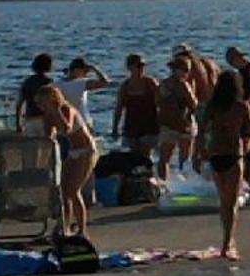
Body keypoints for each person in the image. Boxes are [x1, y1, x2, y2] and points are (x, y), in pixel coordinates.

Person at [201, 70, 250, 260]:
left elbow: (201, 131)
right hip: (234, 154)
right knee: (231, 202)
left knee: (223, 200)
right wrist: (243, 133)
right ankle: (227, 242)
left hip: (215, 153)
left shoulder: (212, 106)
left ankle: (226, 241)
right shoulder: (241, 106)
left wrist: (197, 153)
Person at [34, 82, 99, 235]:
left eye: (44, 103)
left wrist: (56, 111)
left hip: (86, 150)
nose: (42, 106)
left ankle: (83, 230)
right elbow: (48, 137)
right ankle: (65, 225)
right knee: (63, 191)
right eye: (39, 104)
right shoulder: (48, 116)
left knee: (73, 190)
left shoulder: (66, 109)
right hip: (73, 151)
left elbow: (66, 128)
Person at [157, 54, 200, 175]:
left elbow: (158, 102)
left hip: (175, 124)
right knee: (177, 158)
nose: (187, 73)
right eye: (185, 70)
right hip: (177, 124)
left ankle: (170, 182)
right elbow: (193, 104)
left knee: (172, 158)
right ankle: (176, 182)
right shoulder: (177, 84)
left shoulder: (170, 84)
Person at [112, 54, 161, 157]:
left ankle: (149, 172)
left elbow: (161, 104)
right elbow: (119, 108)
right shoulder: (125, 86)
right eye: (139, 66)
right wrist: (115, 127)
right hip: (131, 127)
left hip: (149, 126)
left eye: (143, 66)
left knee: (145, 156)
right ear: (129, 68)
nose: (142, 69)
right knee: (132, 157)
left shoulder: (150, 83)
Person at [15, 53, 55, 130]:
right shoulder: (48, 82)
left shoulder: (27, 82)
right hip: (45, 119)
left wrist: (18, 124)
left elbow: (19, 104)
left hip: (30, 118)